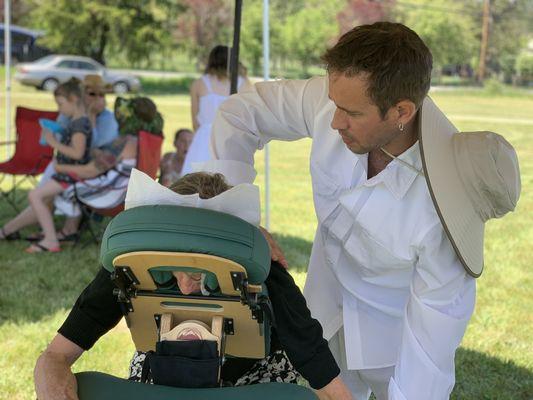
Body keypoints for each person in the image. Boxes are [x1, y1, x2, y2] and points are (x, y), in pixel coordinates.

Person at [201, 22, 521, 400]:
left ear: (401, 111)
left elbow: (429, 353)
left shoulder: (441, 221)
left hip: (391, 348)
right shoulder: (334, 100)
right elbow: (239, 114)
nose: (335, 120)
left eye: (351, 112)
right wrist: (239, 217)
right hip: (319, 318)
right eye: (335, 104)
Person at [34, 172, 352, 400]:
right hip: (164, 367)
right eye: (176, 272)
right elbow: (57, 355)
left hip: (252, 378)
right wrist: (52, 379)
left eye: (199, 275)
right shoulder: (136, 265)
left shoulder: (265, 275)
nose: (185, 287)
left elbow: (317, 364)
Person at [0, 75, 119, 244]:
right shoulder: (70, 114)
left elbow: (91, 151)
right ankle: (42, 231)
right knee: (42, 196)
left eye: (102, 95)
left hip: (83, 170)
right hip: (66, 165)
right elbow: (64, 136)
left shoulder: (104, 119)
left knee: (39, 196)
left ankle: (41, 235)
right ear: (81, 95)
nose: (99, 99)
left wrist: (90, 117)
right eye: (93, 94)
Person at [22, 79, 92, 253]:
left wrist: (53, 142)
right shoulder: (77, 121)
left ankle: (50, 240)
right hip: (66, 174)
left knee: (35, 196)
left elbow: (78, 153)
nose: (59, 109)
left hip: (71, 176)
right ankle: (50, 237)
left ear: (74, 99)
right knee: (38, 197)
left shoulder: (79, 124)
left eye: (61, 104)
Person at [181, 45, 252, 176]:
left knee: (197, 182)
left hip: (204, 138)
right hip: (232, 137)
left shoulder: (199, 84)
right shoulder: (244, 84)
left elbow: (195, 121)